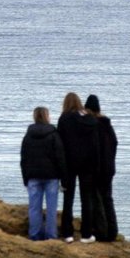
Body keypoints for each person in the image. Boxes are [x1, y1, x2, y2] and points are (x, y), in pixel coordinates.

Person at [57, 92, 99, 243]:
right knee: (86, 199)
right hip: (87, 164)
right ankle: (86, 234)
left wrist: (59, 166)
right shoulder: (90, 119)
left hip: (69, 163)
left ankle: (67, 234)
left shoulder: (64, 119)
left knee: (68, 199)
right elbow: (95, 145)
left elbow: (59, 144)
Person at [20, 106, 67, 241]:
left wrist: (25, 178)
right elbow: (60, 157)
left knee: (34, 208)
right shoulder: (53, 134)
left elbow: (24, 158)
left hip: (33, 176)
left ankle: (35, 236)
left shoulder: (28, 136)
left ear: (34, 117)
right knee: (51, 209)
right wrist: (64, 178)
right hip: (52, 176)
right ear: (47, 116)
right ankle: (51, 236)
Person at [85, 94, 119, 242]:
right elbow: (115, 143)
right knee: (108, 199)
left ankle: (102, 232)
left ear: (87, 108)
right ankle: (112, 231)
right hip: (109, 168)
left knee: (96, 200)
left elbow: (91, 148)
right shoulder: (107, 124)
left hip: (96, 169)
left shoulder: (92, 125)